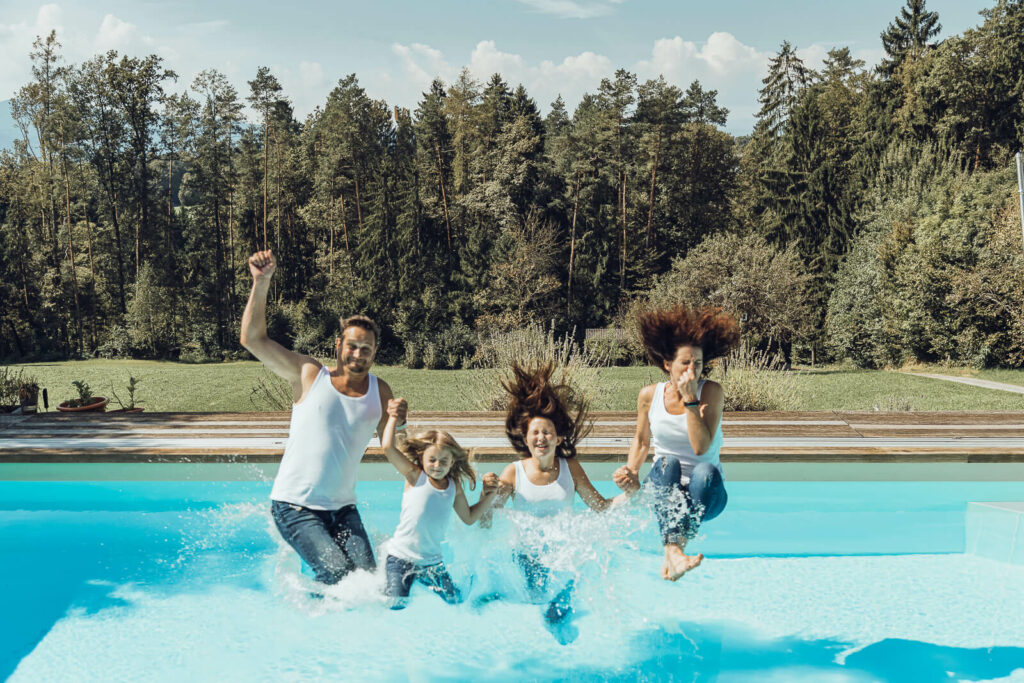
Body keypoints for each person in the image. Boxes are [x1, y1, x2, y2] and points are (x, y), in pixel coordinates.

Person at [240, 249, 407, 586]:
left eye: (367, 349)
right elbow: (252, 339)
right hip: (294, 506)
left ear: (375, 352)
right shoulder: (309, 375)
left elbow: (397, 449)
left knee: (368, 583)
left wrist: (399, 422)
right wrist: (261, 282)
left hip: (343, 510)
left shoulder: (380, 391)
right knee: (337, 575)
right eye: (352, 346)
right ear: (338, 345)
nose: (358, 354)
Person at [489, 363, 639, 643]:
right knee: (536, 597)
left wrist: (630, 494)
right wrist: (487, 495)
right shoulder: (514, 472)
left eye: (547, 432)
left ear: (558, 438)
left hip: (565, 551)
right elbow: (490, 519)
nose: (541, 438)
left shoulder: (571, 468)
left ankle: (561, 620)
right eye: (535, 433)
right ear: (526, 439)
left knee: (561, 601)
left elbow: (602, 508)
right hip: (527, 554)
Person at [612, 305, 740, 581]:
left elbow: (700, 448)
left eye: (698, 363)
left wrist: (691, 400)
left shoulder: (711, 392)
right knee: (666, 462)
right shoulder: (649, 394)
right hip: (664, 487)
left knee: (704, 471)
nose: (692, 369)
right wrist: (631, 471)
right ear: (667, 364)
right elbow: (641, 439)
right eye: (685, 362)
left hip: (706, 494)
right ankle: (676, 554)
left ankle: (673, 550)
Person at [379, 398, 500, 609]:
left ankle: (419, 580)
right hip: (401, 558)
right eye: (432, 460)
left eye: (444, 461)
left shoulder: (454, 486)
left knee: (456, 601)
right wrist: (393, 418)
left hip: (432, 564)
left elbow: (469, 518)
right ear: (422, 458)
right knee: (395, 604)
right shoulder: (415, 476)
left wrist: (488, 496)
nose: (437, 465)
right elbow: (388, 447)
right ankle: (378, 583)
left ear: (453, 462)